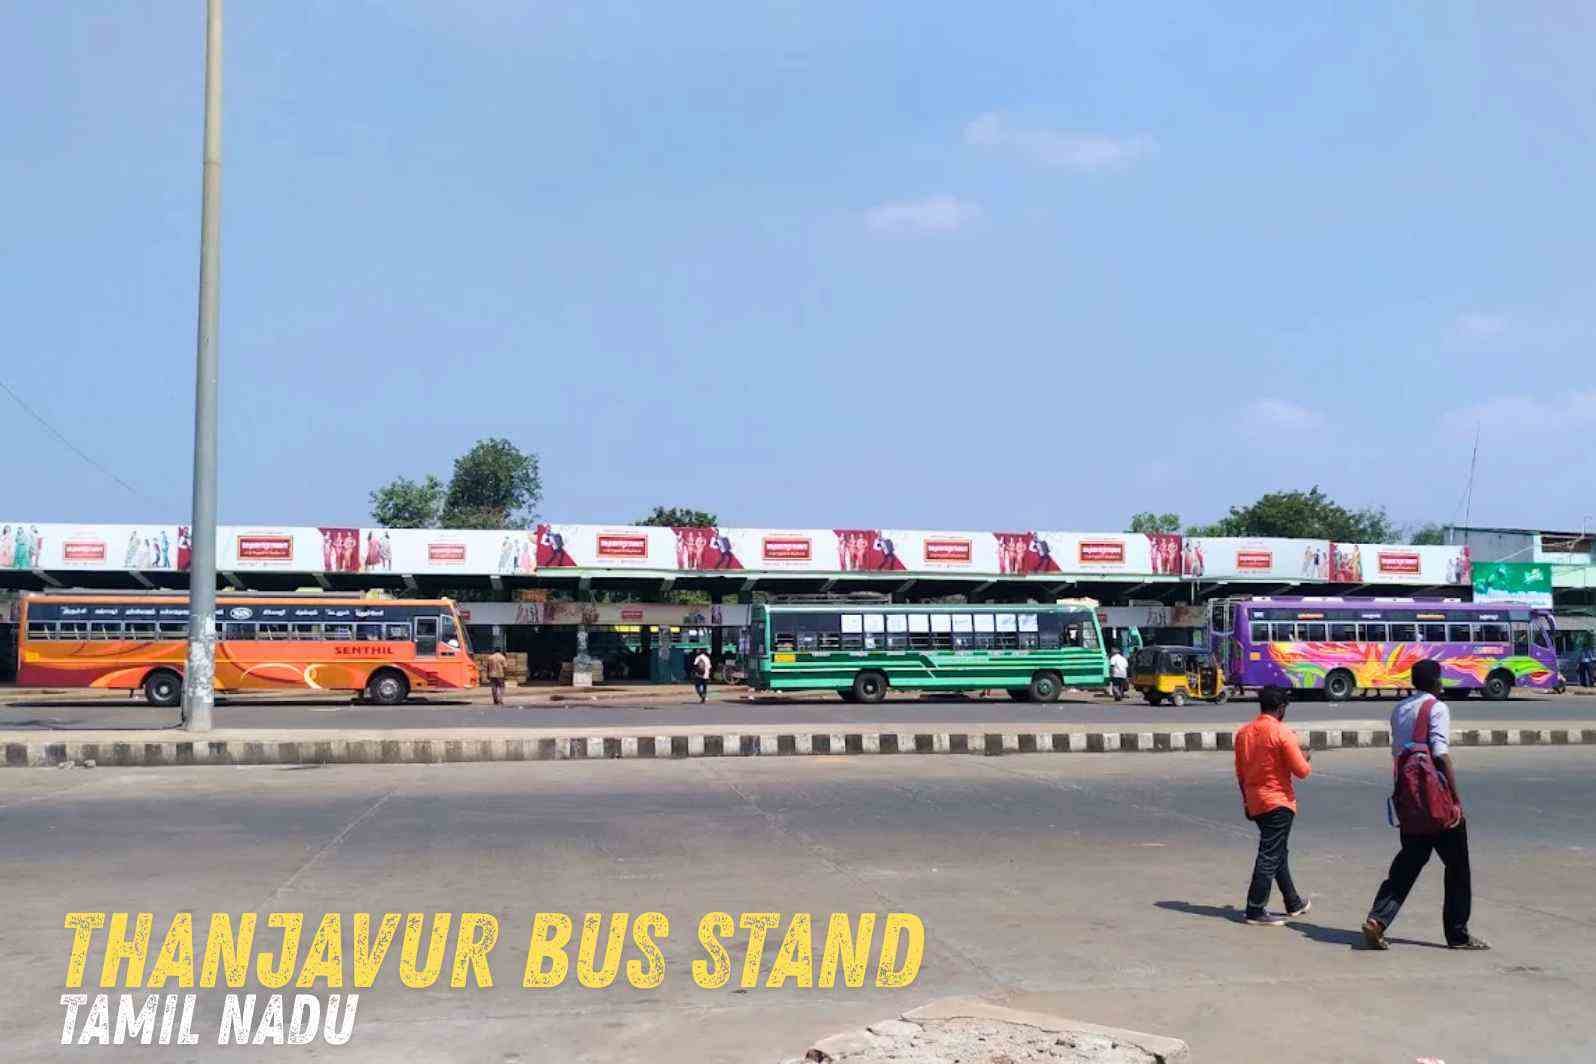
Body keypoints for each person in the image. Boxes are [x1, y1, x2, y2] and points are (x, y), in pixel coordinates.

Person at [1362, 658, 1489, 950]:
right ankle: (1457, 934)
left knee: (1407, 863)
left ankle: (1377, 920)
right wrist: (1455, 800)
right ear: (1435, 682)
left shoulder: (1400, 709)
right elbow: (1441, 755)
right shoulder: (1437, 707)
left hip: (1410, 799)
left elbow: (1397, 754)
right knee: (1458, 868)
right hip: (1437, 803)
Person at [1233, 685, 1313, 926]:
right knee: (1270, 854)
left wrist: (1247, 800)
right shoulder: (1281, 732)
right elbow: (1302, 771)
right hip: (1278, 802)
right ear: (1280, 708)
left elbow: (1241, 773)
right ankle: (1255, 909)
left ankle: (1293, 902)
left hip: (1256, 800)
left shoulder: (1244, 733)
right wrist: (1305, 757)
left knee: (1277, 851)